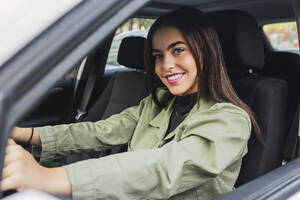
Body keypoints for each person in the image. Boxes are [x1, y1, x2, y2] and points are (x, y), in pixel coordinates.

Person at [1, 7, 261, 200]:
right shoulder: (159, 102)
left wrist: (51, 178)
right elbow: (100, 131)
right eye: (158, 55)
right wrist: (25, 133)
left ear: (206, 52)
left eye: (178, 50)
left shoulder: (231, 120)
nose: (165, 65)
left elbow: (164, 167)